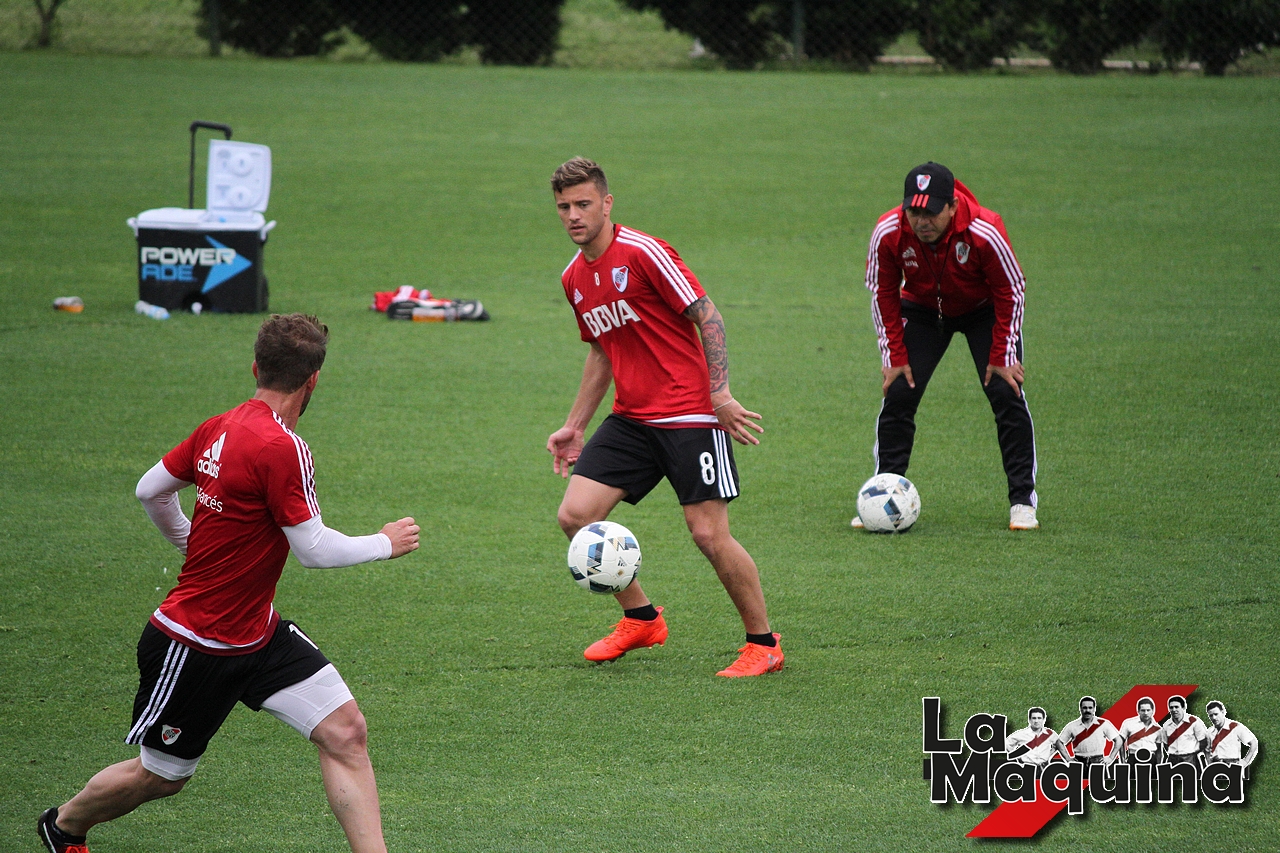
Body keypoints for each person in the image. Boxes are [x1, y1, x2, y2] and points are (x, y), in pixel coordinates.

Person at [37, 314, 420, 853]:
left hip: (257, 634)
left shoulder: (218, 426)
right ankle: (65, 825)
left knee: (345, 732)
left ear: (256, 367)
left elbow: (151, 491)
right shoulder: (283, 447)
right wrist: (384, 542)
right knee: (162, 777)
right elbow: (312, 549)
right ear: (313, 380)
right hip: (194, 643)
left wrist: (190, 542)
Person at [546, 157, 781, 678]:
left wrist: (718, 392)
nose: (573, 216)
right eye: (564, 207)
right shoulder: (573, 278)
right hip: (631, 417)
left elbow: (707, 314)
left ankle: (764, 644)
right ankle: (642, 618)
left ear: (607, 204)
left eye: (583, 204)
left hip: (689, 414)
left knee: (708, 534)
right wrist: (576, 425)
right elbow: (603, 350)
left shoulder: (644, 252)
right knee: (576, 515)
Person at [855, 162, 1039, 531]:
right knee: (900, 392)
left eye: (931, 212)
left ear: (952, 206)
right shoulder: (889, 231)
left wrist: (1003, 356)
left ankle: (1022, 501)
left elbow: (1011, 289)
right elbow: (882, 291)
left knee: (1006, 392)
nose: (922, 221)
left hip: (984, 311)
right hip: (923, 310)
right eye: (914, 211)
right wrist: (894, 356)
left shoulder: (985, 230)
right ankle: (883, 493)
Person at [1054, 696, 1121, 767]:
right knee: (1077, 779)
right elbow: (1059, 742)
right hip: (1078, 761)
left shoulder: (1104, 724)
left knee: (1097, 779)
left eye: (1090, 708)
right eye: (1085, 708)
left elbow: (1119, 740)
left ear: (1094, 709)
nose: (1087, 710)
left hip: (1098, 761)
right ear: (1080, 709)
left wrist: (1111, 758)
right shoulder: (1072, 726)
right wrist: (1068, 759)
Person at [1204, 700, 1259, 770]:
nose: (1214, 718)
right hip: (1215, 766)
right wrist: (1209, 764)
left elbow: (1253, 743)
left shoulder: (1235, 727)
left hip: (1232, 765)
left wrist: (1245, 761)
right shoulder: (1209, 732)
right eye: (1211, 715)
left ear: (1223, 712)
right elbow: (1207, 750)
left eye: (1216, 714)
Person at [1161, 694, 1208, 766]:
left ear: (1183, 707)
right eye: (1171, 707)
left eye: (1176, 707)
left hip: (1190, 759)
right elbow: (1165, 744)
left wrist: (1192, 753)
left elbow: (1203, 741)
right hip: (1172, 759)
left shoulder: (1194, 722)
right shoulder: (1166, 725)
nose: (1174, 710)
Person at [1118, 696, 1163, 762]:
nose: (1146, 713)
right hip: (1133, 758)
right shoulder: (1129, 723)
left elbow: (1159, 750)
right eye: (1143, 710)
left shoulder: (1158, 729)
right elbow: (1120, 742)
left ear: (1153, 711)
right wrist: (1123, 761)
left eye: (1148, 710)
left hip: (1151, 759)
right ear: (1138, 711)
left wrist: (1159, 766)